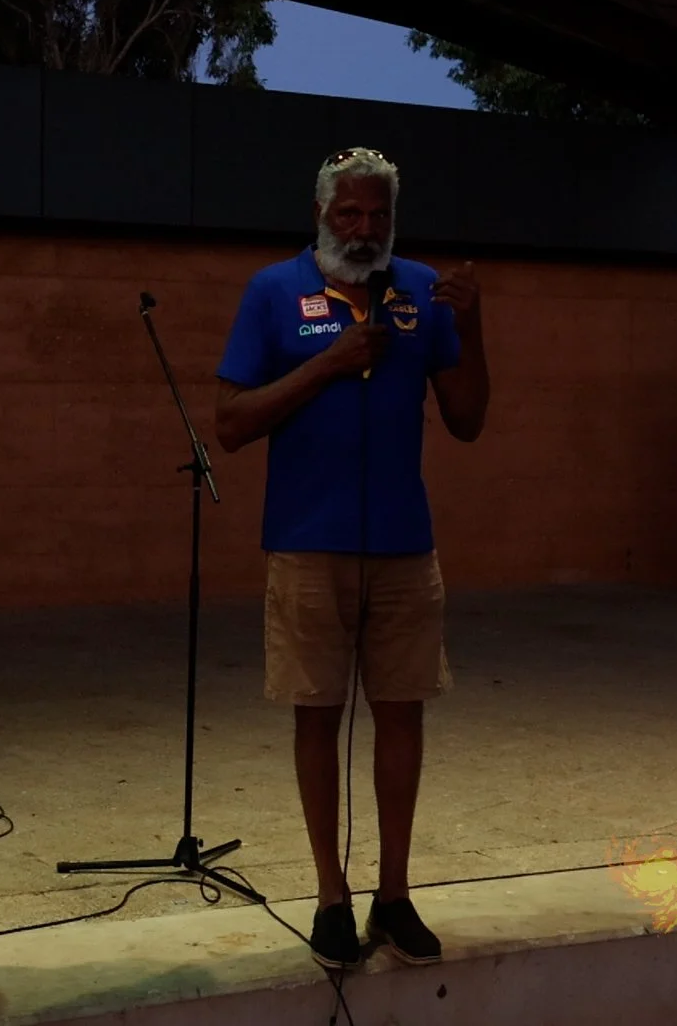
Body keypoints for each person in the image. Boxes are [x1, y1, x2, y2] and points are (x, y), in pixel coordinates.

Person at [212, 147, 490, 970]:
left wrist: (473, 328)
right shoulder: (272, 292)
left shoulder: (423, 292)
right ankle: (331, 896)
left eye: (378, 216)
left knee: (403, 712)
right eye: (350, 214)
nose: (365, 231)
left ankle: (393, 895)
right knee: (317, 714)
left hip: (405, 545)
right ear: (321, 215)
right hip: (306, 544)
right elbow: (229, 422)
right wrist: (326, 365)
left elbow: (469, 420)